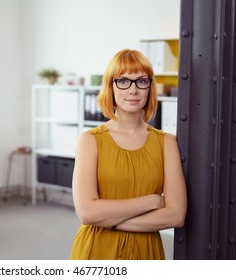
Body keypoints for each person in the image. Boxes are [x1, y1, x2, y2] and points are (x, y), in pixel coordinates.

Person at [70, 49, 187, 260]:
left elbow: (176, 215)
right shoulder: (90, 140)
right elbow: (87, 213)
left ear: (150, 87)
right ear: (110, 87)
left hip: (146, 251)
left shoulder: (166, 142)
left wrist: (110, 220)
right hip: (97, 250)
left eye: (141, 81)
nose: (133, 90)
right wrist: (152, 201)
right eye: (123, 81)